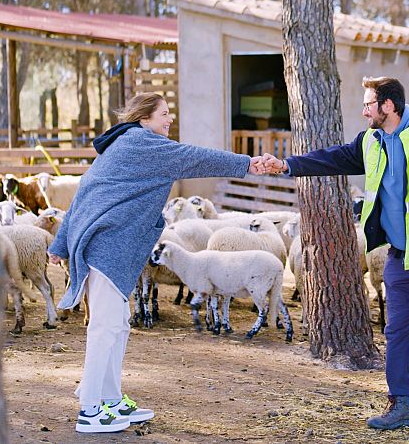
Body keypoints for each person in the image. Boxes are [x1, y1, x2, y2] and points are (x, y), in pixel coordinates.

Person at [260, 77, 409, 435]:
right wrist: (286, 166)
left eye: (368, 104)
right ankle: (402, 405)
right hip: (396, 257)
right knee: (395, 332)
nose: (364, 111)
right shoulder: (372, 142)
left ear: (388, 106)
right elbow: (333, 159)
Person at [47, 93, 265, 433]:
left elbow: (85, 191)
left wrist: (61, 243)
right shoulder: (141, 142)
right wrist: (247, 164)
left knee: (117, 323)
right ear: (144, 117)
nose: (169, 120)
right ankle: (89, 410)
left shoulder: (125, 143)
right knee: (104, 326)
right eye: (164, 114)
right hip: (107, 246)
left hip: (112, 247)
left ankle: (110, 400)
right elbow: (195, 157)